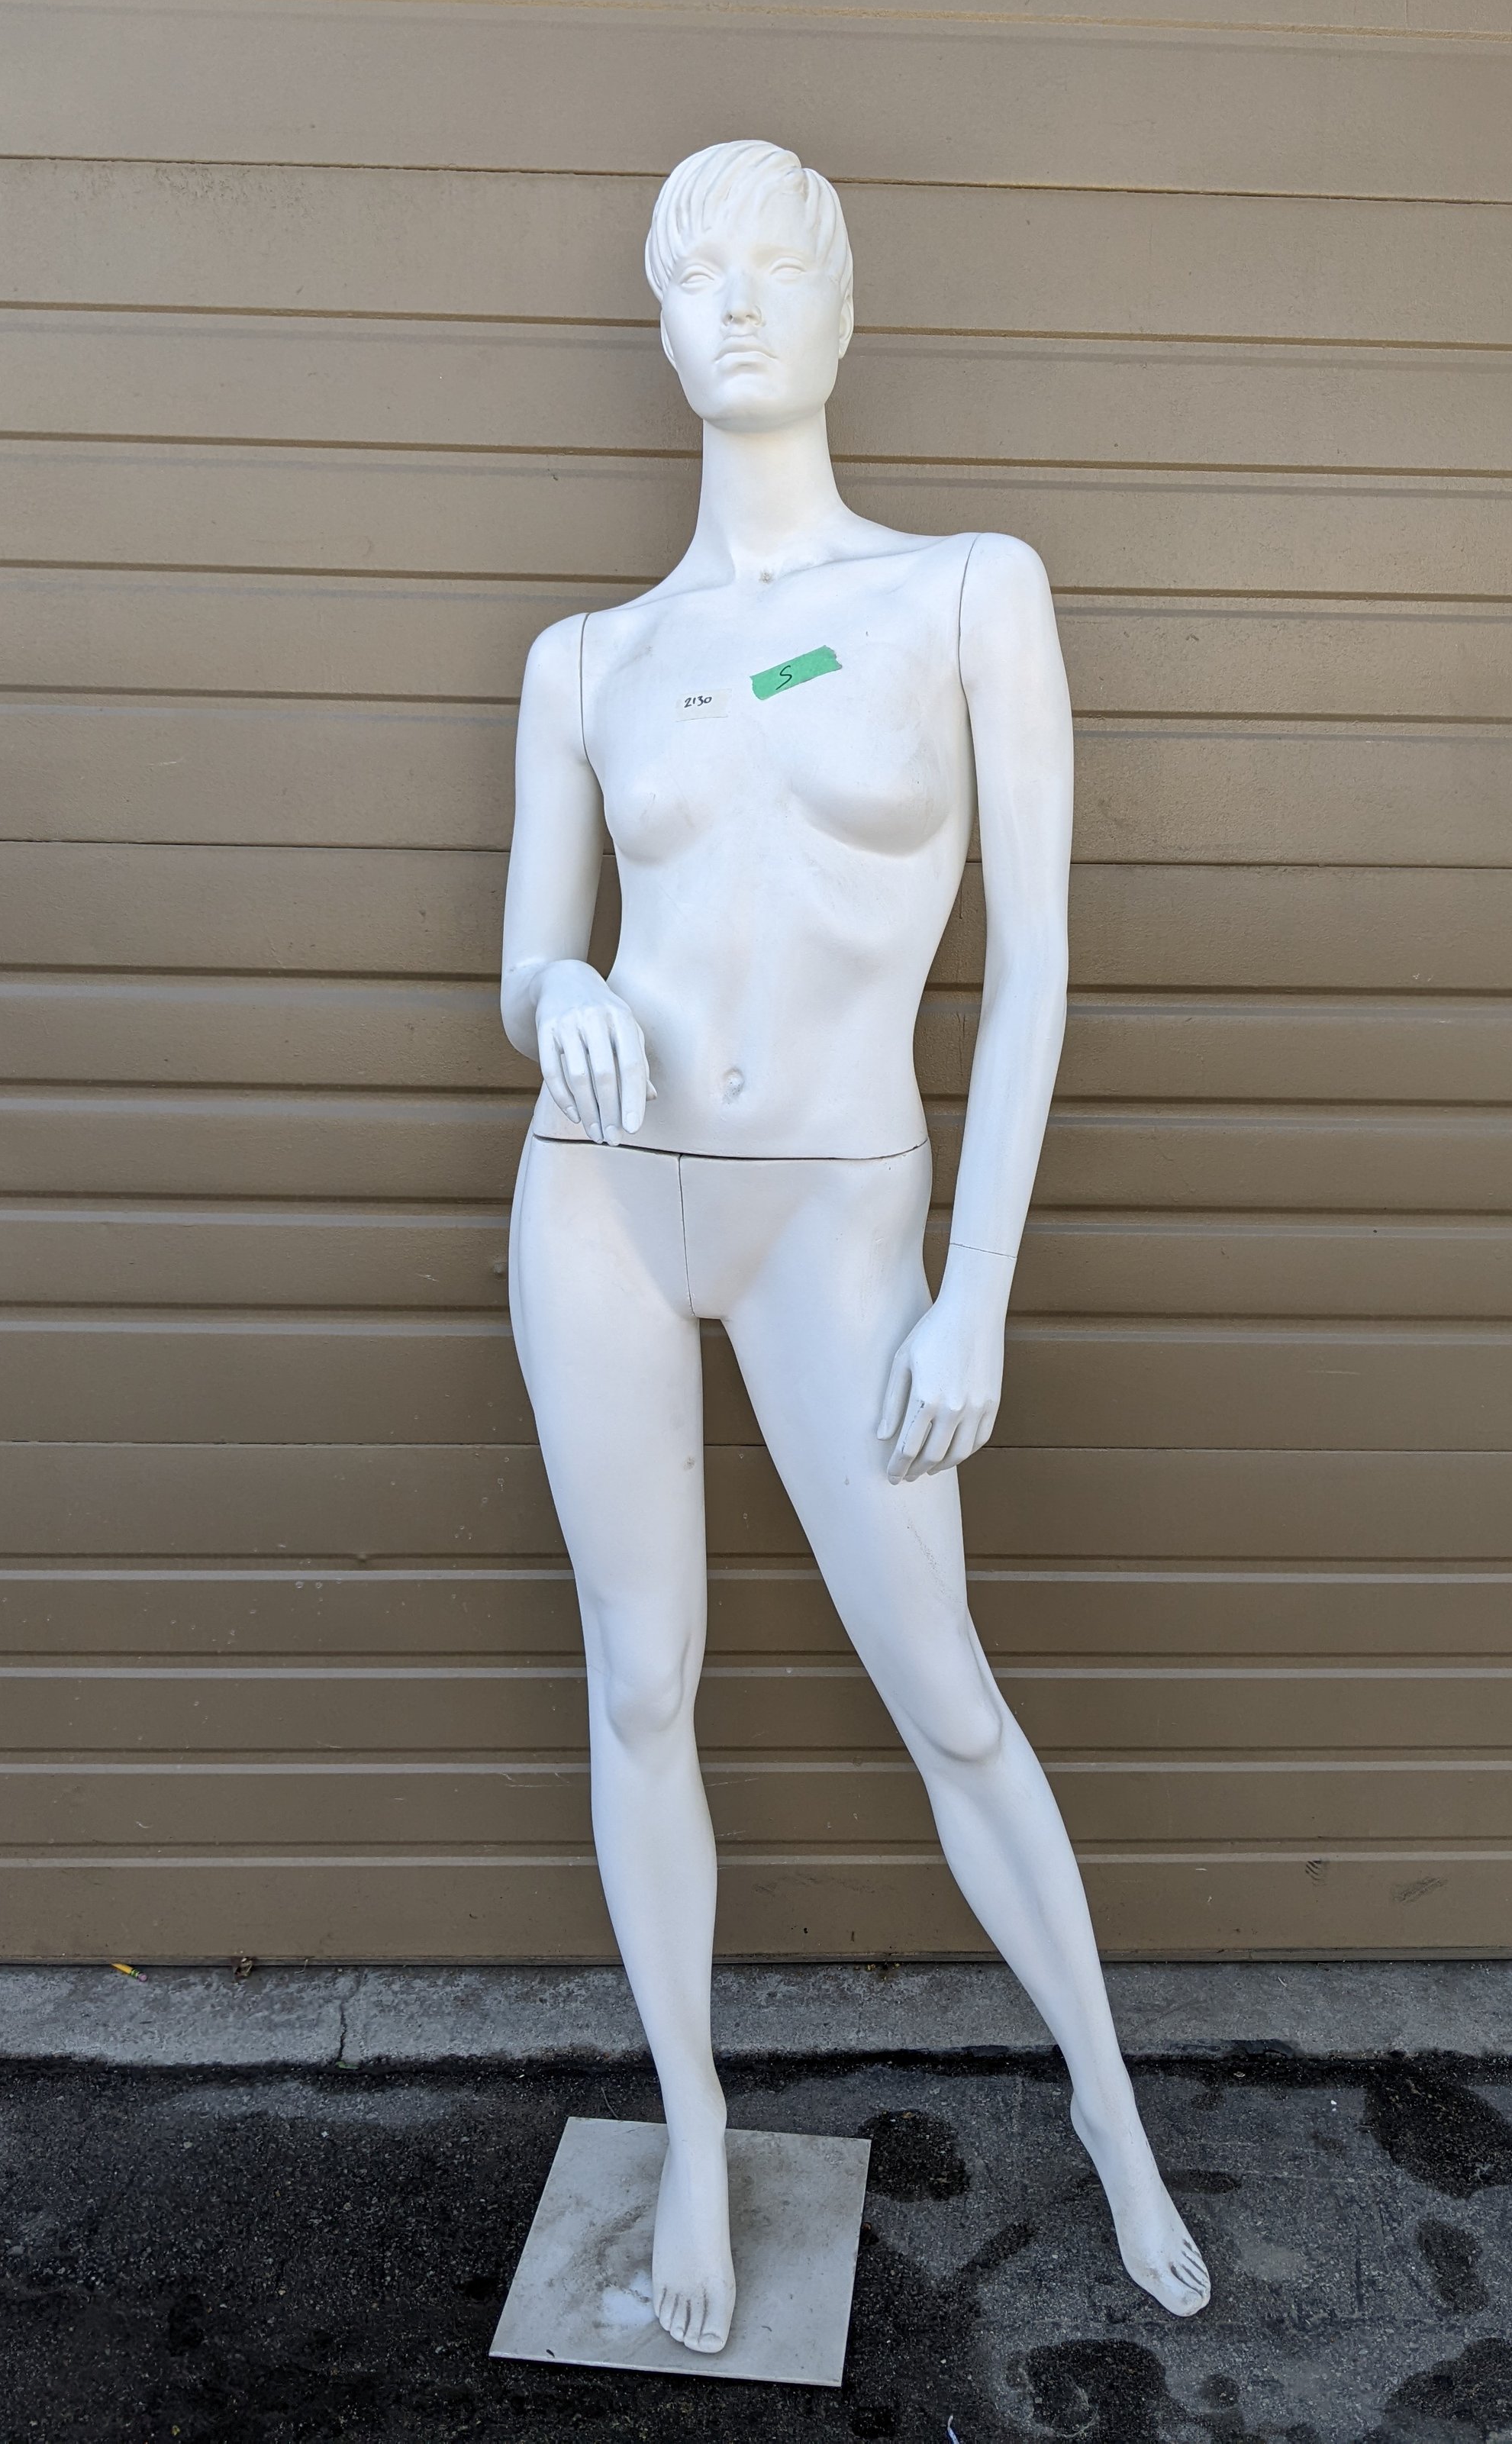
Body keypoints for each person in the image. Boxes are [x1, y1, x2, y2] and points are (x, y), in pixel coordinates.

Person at [499, 139, 1210, 2353]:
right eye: (688, 275)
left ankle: (1109, 2113)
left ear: (839, 309)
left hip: (836, 1209)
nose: (729, 306)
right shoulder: (587, 658)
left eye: (769, 267)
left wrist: (975, 1287)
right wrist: (562, 989)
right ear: (655, 328)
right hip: (599, 1192)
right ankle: (696, 2130)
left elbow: (1035, 960)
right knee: (641, 1678)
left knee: (946, 1690)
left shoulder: (965, 594)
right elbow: (524, 961)